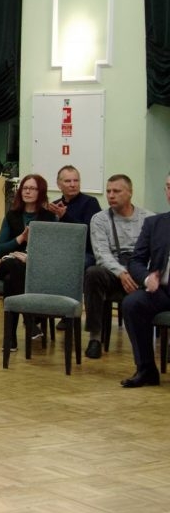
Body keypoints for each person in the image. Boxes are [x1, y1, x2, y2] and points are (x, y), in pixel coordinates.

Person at [84, 174, 153, 359]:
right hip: (113, 273)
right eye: (108, 191)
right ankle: (95, 338)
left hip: (141, 273)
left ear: (129, 193)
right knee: (93, 273)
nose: (111, 195)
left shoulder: (149, 219)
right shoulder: (99, 219)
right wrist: (122, 273)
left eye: (116, 191)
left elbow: (155, 253)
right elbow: (101, 254)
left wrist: (141, 275)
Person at [0, 174, 57, 346]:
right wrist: (20, 239)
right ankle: (30, 321)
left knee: (13, 276)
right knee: (15, 264)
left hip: (31, 269)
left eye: (33, 188)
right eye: (25, 188)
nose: (27, 191)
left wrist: (31, 259)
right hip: (7, 263)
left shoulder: (49, 218)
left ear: (41, 192)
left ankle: (10, 337)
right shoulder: (12, 215)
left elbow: (52, 252)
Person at [120, 175, 170, 388]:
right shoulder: (155, 223)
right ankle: (146, 369)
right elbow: (136, 261)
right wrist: (147, 277)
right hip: (163, 290)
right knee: (133, 303)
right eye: (168, 187)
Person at [50, 165, 101, 268]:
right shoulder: (55, 206)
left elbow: (88, 234)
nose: (73, 185)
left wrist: (65, 216)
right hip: (60, 252)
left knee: (68, 264)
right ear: (59, 185)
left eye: (76, 181)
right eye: (68, 181)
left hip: (85, 252)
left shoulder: (90, 202)